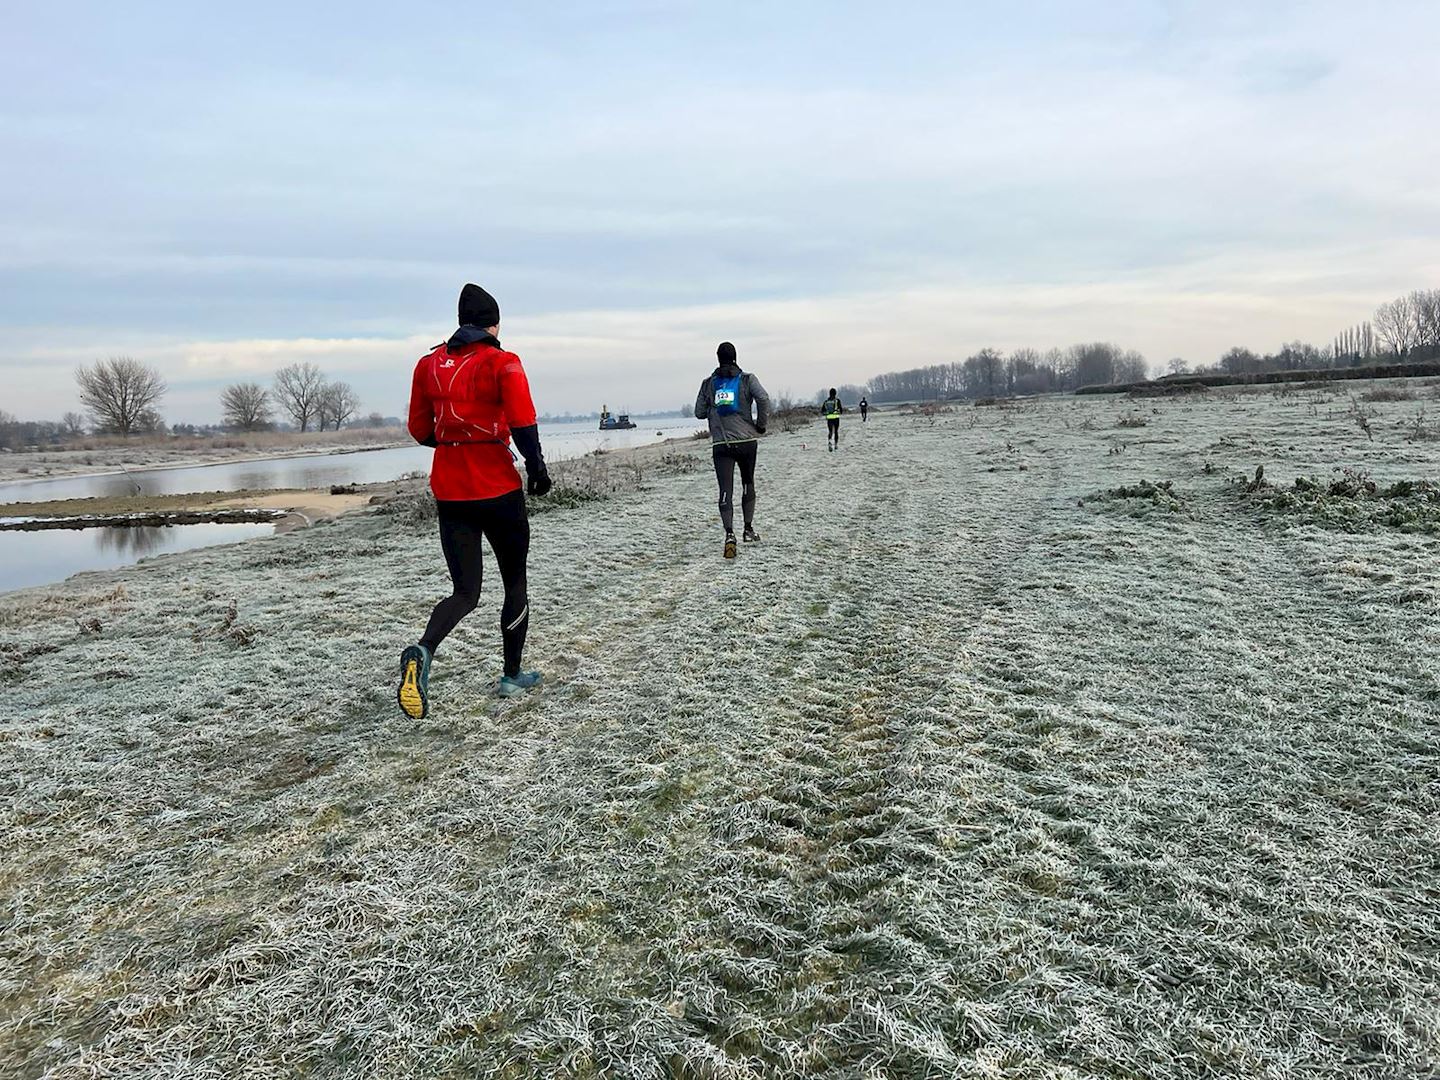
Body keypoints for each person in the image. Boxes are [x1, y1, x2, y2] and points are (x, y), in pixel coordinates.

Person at [396, 283, 552, 719]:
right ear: (494, 324)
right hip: (497, 486)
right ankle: (512, 675)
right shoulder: (503, 362)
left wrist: (452, 443)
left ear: (461, 322)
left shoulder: (428, 365)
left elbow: (418, 427)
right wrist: (537, 469)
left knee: (464, 591)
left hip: (450, 488)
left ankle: (423, 650)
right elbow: (523, 421)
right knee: (515, 581)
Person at [695, 342, 770, 559]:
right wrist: (761, 425)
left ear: (718, 358)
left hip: (721, 444)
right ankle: (748, 529)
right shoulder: (747, 379)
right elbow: (763, 399)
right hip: (747, 441)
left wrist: (714, 410)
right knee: (748, 483)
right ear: (736, 357)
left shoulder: (708, 384)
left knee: (725, 489)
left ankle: (729, 534)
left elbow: (699, 412)